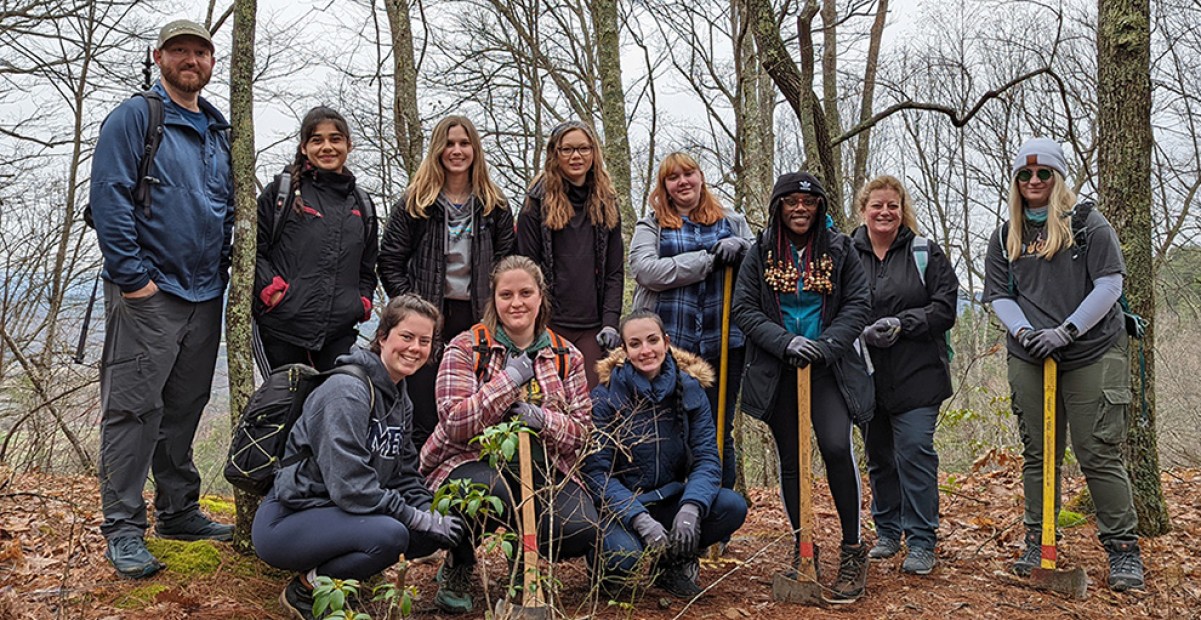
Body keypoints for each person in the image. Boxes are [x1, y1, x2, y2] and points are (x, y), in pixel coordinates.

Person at [89, 19, 234, 578]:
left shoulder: (218, 132)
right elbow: (110, 199)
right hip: (150, 294)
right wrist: (134, 280)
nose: (190, 59)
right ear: (159, 57)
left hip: (205, 295)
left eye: (200, 51)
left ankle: (178, 510)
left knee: (184, 407)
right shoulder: (135, 118)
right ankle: (123, 528)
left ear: (212, 62)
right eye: (180, 50)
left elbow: (223, 211)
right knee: (132, 411)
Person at [983, 137, 1144, 591]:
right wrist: (1024, 333)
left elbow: (1109, 285)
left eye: (1043, 174)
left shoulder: (1090, 225)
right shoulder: (1004, 235)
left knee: (1097, 451)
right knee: (1040, 452)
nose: (1034, 182)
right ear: (1016, 181)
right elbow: (1000, 295)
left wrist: (1068, 330)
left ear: (1057, 178)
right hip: (1031, 354)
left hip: (1091, 350)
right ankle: (1039, 539)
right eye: (1025, 175)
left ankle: (1123, 549)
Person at [253, 295, 465, 620]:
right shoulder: (347, 392)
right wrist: (414, 517)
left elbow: (405, 474)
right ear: (383, 337)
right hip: (289, 519)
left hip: (339, 514)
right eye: (406, 337)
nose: (415, 348)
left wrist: (430, 512)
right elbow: (351, 487)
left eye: (424, 341)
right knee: (392, 535)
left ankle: (340, 573)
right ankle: (306, 590)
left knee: (425, 533)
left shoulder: (399, 398)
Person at [420, 255, 598, 613]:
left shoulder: (567, 356)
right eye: (506, 295)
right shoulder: (466, 347)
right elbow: (454, 422)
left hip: (546, 471)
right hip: (469, 462)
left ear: (540, 297)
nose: (516, 303)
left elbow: (583, 433)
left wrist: (542, 419)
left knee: (580, 526)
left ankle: (524, 565)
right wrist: (508, 381)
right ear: (494, 299)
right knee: (483, 493)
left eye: (525, 293)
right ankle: (460, 560)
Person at [731, 172, 874, 603]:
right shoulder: (760, 253)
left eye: (808, 203)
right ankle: (804, 546)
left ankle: (852, 548)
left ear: (819, 209)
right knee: (791, 459)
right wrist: (785, 341)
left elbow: (858, 304)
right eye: (791, 202)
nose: (799, 209)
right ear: (779, 206)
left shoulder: (840, 250)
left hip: (828, 367)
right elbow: (744, 309)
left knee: (834, 446)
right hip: (778, 369)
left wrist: (827, 345)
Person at [585, 311, 748, 599]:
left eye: (652, 340)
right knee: (623, 558)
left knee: (731, 505)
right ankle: (605, 565)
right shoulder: (606, 397)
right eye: (635, 344)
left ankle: (672, 565)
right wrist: (638, 518)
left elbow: (707, 458)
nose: (646, 350)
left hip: (672, 499)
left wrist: (691, 507)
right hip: (624, 508)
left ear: (666, 341)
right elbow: (597, 473)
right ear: (624, 350)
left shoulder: (691, 389)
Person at [378, 115, 515, 451]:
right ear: (438, 149)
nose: (457, 151)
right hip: (429, 319)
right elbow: (390, 261)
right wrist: (412, 310)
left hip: (479, 317)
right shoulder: (416, 203)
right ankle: (418, 483)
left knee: (474, 403)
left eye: (464, 143)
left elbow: (508, 264)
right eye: (449, 144)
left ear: (475, 150)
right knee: (423, 403)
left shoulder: (493, 205)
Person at [850, 175, 958, 575]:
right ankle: (888, 533)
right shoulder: (847, 253)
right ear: (863, 209)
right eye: (876, 205)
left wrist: (903, 322)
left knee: (914, 451)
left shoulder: (924, 252)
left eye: (892, 205)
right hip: (865, 376)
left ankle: (921, 540)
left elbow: (945, 307)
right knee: (879, 456)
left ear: (902, 209)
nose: (884, 212)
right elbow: (836, 308)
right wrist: (860, 331)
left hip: (918, 375)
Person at [628, 152, 752, 491]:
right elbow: (645, 270)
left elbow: (757, 263)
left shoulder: (733, 222)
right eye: (673, 177)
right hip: (669, 346)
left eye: (689, 173)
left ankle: (719, 517)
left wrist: (740, 247)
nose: (683, 181)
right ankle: (672, 512)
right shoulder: (651, 225)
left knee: (716, 430)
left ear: (701, 178)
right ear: (664, 186)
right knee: (670, 429)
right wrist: (707, 260)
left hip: (723, 343)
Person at [253, 106, 378, 373]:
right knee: (286, 410)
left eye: (335, 139)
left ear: (349, 145)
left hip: (339, 334)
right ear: (303, 147)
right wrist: (272, 293)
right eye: (317, 140)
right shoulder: (281, 193)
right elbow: (252, 252)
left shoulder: (363, 204)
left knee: (338, 407)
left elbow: (367, 268)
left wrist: (361, 303)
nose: (327, 147)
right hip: (281, 330)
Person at [516, 120, 623, 387]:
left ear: (593, 153)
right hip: (549, 323)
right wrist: (533, 325)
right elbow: (526, 270)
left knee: (592, 403)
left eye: (583, 149)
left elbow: (614, 271)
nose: (576, 156)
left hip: (593, 326)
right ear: (555, 153)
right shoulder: (535, 202)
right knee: (547, 400)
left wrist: (610, 322)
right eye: (567, 150)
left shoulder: (606, 202)